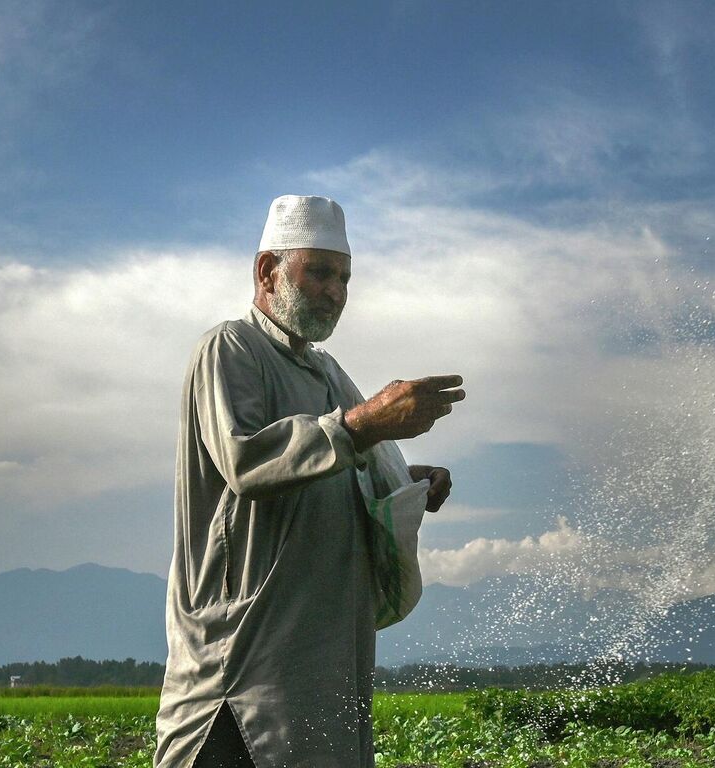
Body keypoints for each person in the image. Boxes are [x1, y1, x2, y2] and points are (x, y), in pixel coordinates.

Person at [154, 195, 463, 767]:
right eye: (318, 272)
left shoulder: (328, 375)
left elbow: (337, 462)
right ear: (266, 272)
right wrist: (366, 421)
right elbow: (248, 462)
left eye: (344, 277)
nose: (336, 291)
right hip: (241, 682)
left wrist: (404, 480)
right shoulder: (231, 348)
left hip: (321, 675)